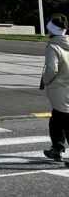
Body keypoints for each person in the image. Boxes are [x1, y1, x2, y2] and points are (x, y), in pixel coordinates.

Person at [41, 14, 69, 163]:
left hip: (60, 90)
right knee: (56, 120)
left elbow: (51, 69)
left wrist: (46, 81)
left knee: (63, 121)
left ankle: (57, 148)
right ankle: (57, 148)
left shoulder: (53, 46)